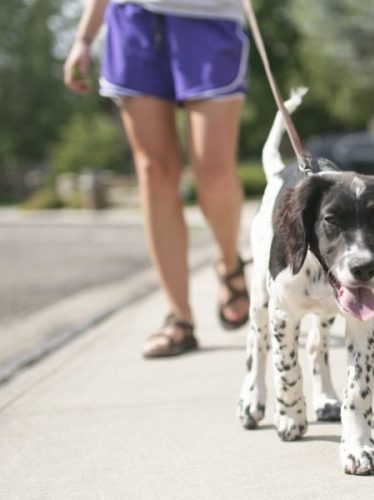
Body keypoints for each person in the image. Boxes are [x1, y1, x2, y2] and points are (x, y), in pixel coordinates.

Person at [64, 0, 251, 358]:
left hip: (208, 17)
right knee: (153, 171)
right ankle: (179, 318)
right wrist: (84, 38)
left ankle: (229, 264)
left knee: (213, 171)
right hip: (133, 18)